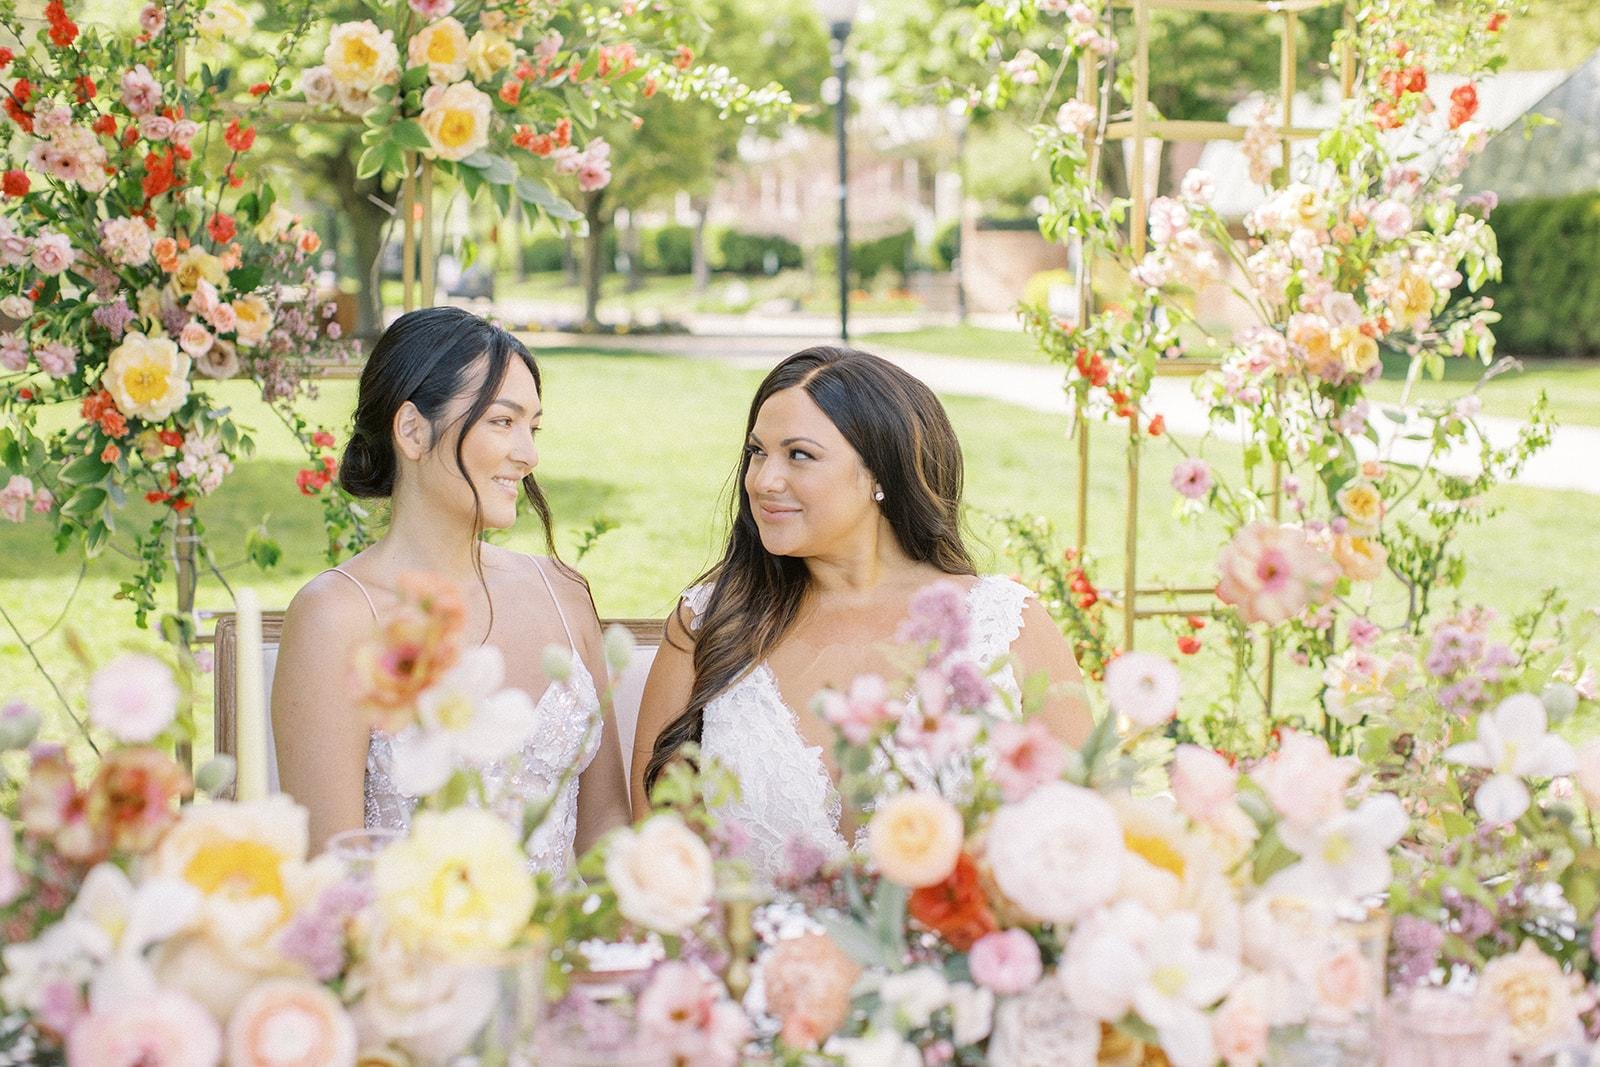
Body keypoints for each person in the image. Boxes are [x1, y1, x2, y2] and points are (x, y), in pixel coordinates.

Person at [630, 346, 1091, 881]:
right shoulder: (708, 626)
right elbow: (657, 857)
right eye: (757, 453)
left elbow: (1087, 830)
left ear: (881, 473)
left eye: (798, 455)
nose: (762, 480)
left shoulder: (1005, 626)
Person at [273, 306, 630, 866]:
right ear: (413, 430)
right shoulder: (336, 617)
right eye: (502, 422)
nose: (529, 455)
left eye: (532, 428)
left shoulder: (562, 593)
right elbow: (334, 867)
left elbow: (606, 825)